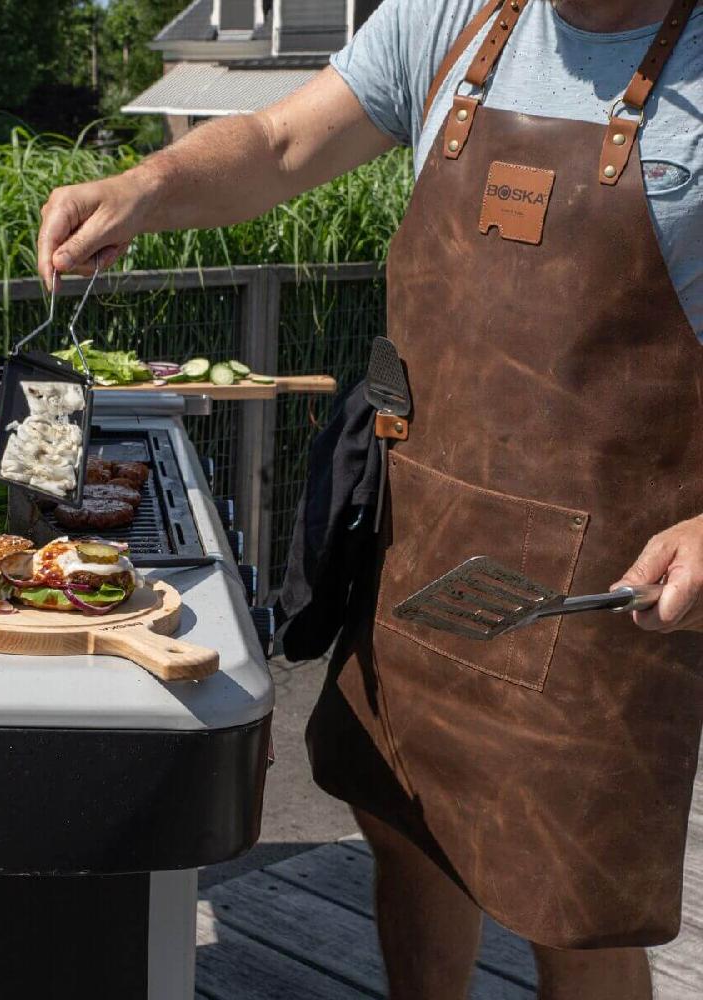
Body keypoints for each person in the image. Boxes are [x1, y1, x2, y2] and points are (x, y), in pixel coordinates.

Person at [37, 1, 703, 996]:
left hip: (602, 588)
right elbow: (277, 140)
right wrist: (144, 186)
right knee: (405, 828)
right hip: (420, 540)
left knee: (575, 910)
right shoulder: (452, 19)